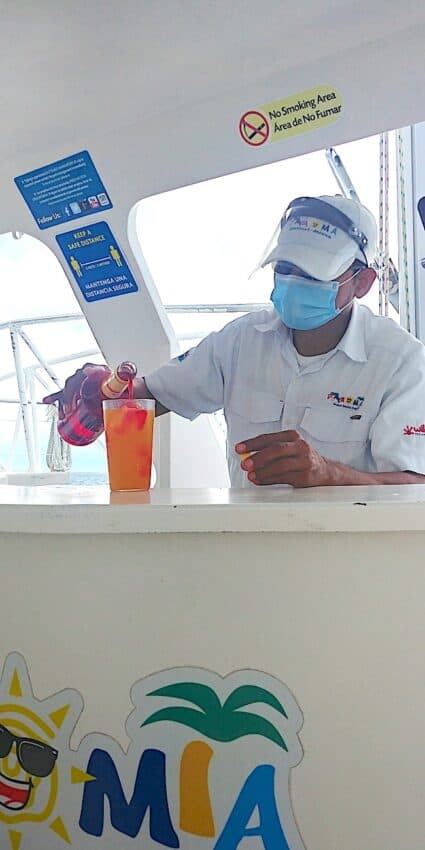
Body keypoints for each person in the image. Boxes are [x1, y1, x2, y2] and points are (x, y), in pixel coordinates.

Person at [133, 194, 425, 487]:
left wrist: (329, 475)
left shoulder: (401, 362)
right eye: (284, 268)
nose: (293, 283)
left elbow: (415, 486)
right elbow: (155, 393)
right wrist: (108, 389)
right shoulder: (239, 341)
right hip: (247, 532)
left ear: (362, 282)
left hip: (342, 534)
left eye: (312, 274)